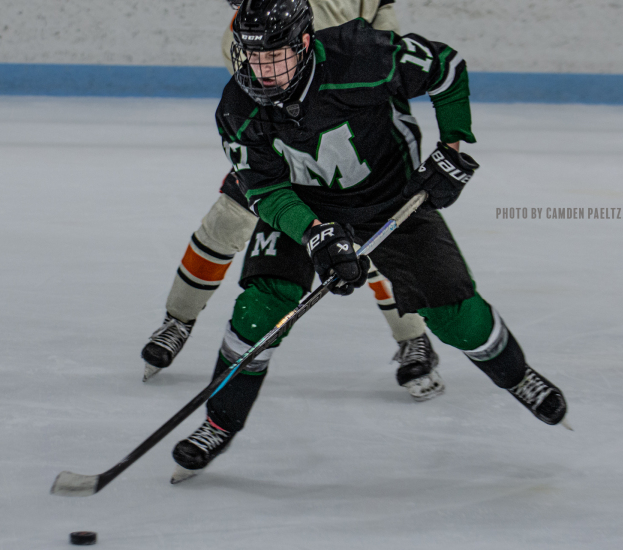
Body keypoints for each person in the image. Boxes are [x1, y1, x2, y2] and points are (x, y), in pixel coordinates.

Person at [169, 0, 569, 483]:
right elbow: (266, 190)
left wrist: (452, 147)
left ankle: (517, 374)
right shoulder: (237, 108)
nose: (264, 71)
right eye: (254, 57)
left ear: (305, 42)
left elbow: (445, 67)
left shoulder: (360, 54)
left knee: (456, 317)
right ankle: (218, 422)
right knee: (260, 308)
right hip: (305, 209)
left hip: (392, 203)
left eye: (276, 56)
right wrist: (315, 234)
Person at [142, 0, 444, 402]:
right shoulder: (253, 28)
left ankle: (412, 337)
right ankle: (177, 320)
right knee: (227, 223)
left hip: (345, 137)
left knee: (372, 241)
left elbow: (385, 36)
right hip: (280, 144)